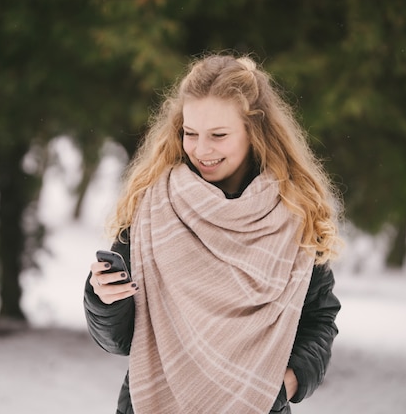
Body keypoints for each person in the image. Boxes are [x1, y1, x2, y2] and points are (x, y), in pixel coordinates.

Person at [84, 53, 343, 414]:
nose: (201, 150)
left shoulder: (294, 213)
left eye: (218, 135)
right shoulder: (155, 206)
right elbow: (121, 341)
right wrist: (104, 299)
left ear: (255, 132)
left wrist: (283, 385)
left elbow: (319, 318)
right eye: (190, 133)